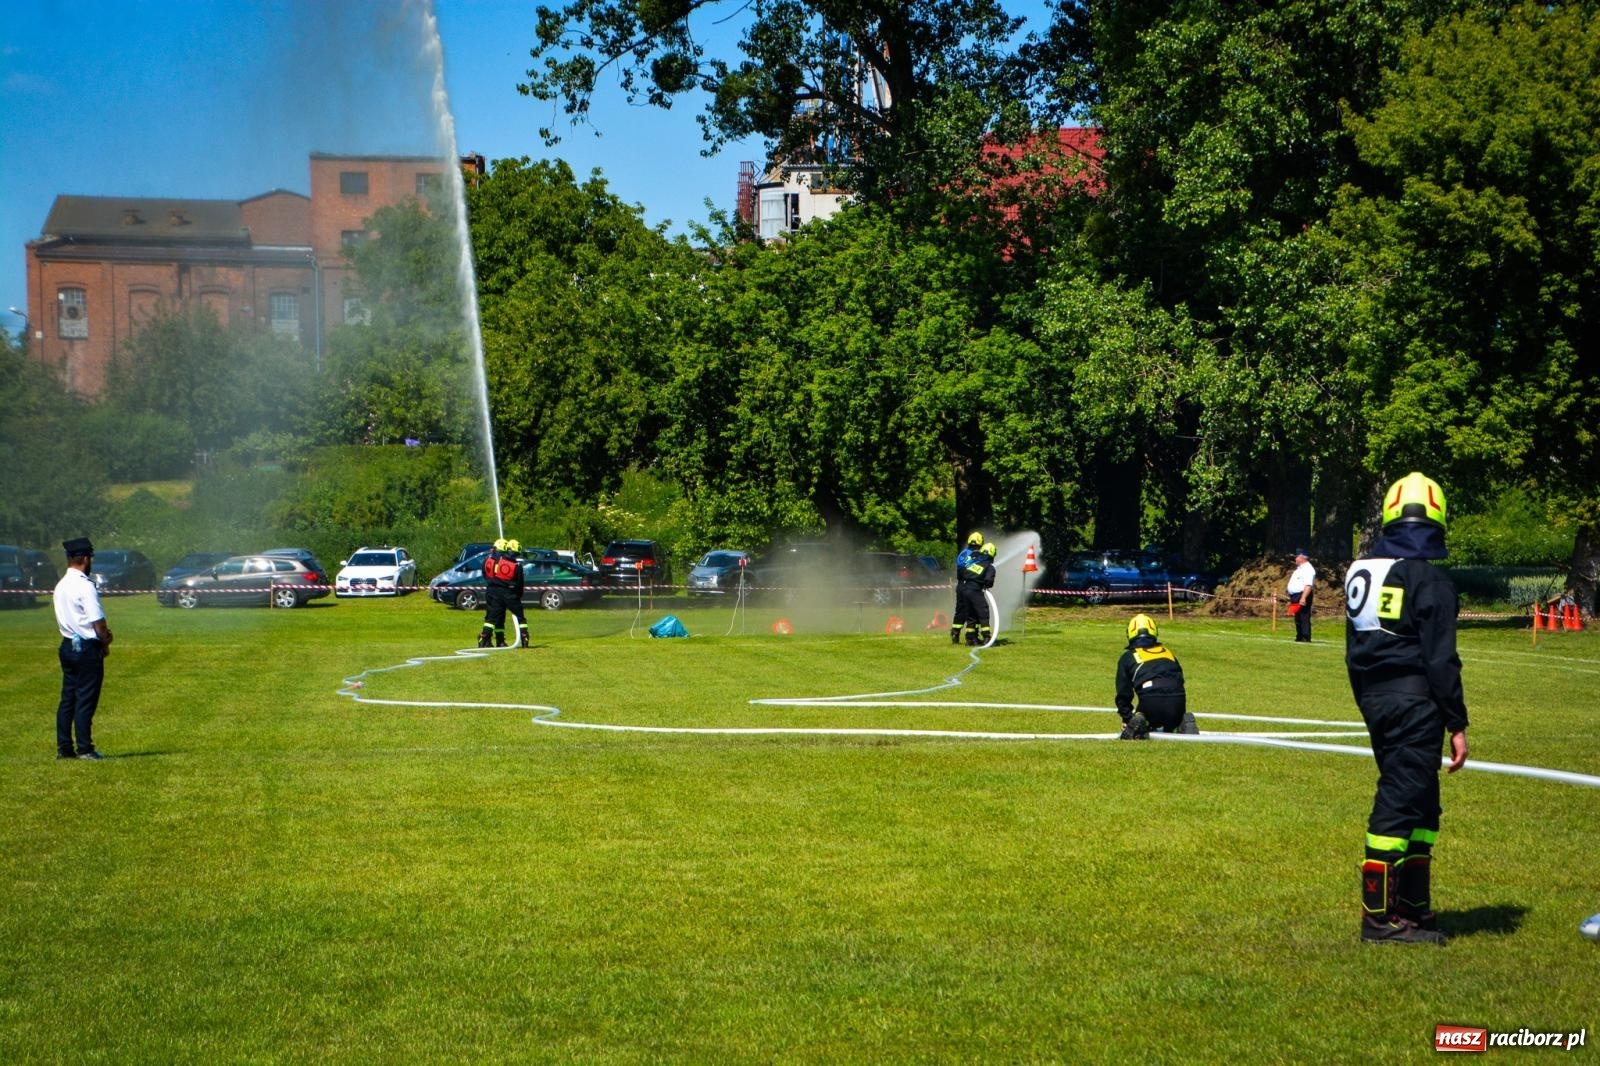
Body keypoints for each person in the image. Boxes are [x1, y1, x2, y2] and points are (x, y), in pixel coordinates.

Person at [1344, 471, 1468, 945]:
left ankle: (1412, 907)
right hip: (1416, 701)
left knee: (1422, 801)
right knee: (1400, 801)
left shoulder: (1360, 571)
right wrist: (1456, 722)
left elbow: (1353, 649)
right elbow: (1441, 660)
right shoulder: (1429, 579)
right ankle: (1379, 919)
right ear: (1437, 517)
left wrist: (1368, 703)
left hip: (1375, 697)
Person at [54, 537, 113, 760]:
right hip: (87, 648)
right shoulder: (85, 586)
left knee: (68, 699)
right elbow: (98, 623)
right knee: (86, 699)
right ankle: (85, 748)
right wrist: (106, 641)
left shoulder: (61, 585)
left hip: (68, 645)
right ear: (86, 559)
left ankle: (64, 748)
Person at [1114, 613, 1197, 739]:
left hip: (1150, 703)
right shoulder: (1168, 653)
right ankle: (1181, 720)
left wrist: (1127, 717)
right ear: (1154, 632)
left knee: (1142, 717)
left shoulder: (1129, 657)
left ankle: (1140, 721)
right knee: (1171, 716)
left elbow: (1123, 692)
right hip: (1178, 702)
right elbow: (1179, 679)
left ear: (1129, 634)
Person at [478, 538, 528, 649]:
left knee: (494, 617)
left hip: (492, 591)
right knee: (519, 617)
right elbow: (519, 583)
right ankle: (524, 637)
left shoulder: (490, 561)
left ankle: (488, 639)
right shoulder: (516, 566)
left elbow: (485, 574)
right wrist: (517, 596)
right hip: (509, 593)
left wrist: (492, 583)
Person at [950, 530, 984, 645]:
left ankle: (955, 633)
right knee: (974, 611)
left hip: (961, 586)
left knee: (960, 610)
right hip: (971, 586)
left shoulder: (963, 553)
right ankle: (972, 637)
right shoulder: (978, 555)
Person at [1287, 549, 1316, 642]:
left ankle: (1305, 637)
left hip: (1302, 595)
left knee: (1304, 616)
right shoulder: (1299, 569)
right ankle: (1299, 636)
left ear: (1302, 558)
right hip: (1295, 596)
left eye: (1296, 556)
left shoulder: (1308, 569)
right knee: (1297, 617)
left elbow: (1308, 585)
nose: (1295, 558)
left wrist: (1303, 598)